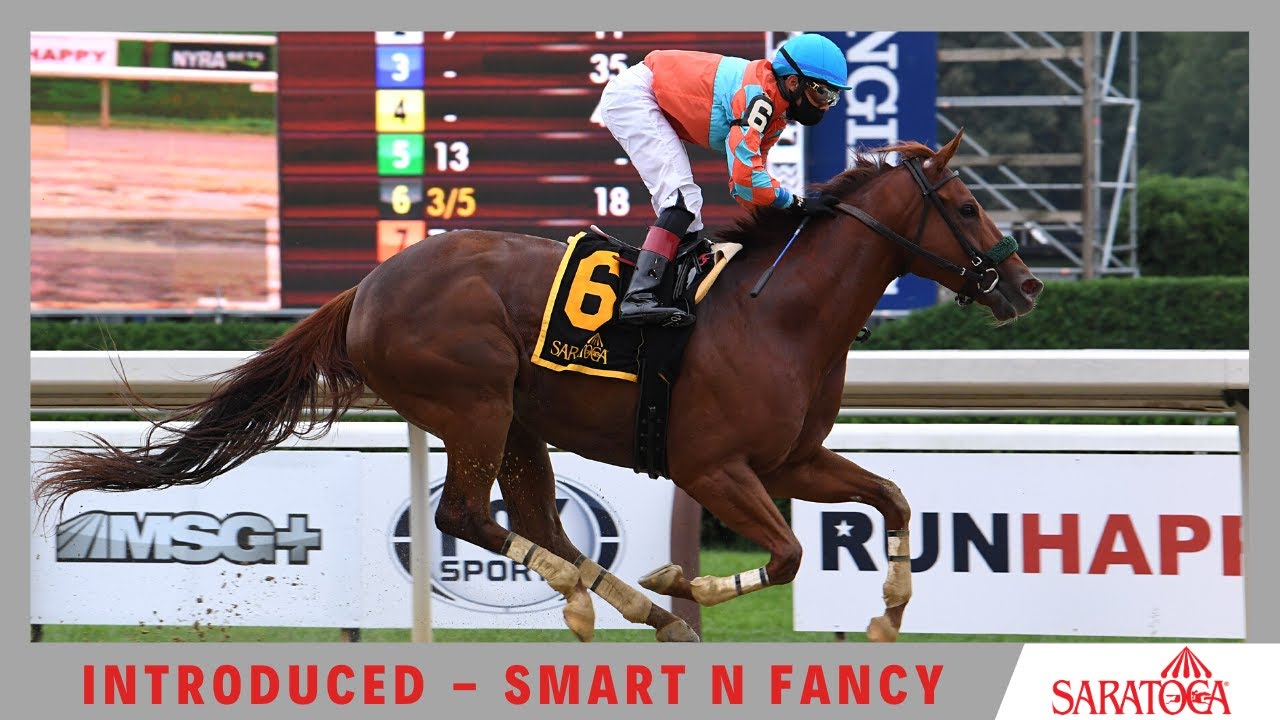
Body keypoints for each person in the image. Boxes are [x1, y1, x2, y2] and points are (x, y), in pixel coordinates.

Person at [598, 32, 851, 327]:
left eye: (834, 97)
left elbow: (747, 190)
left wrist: (787, 215)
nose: (826, 105)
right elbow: (746, 179)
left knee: (690, 218)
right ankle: (638, 297)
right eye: (823, 94)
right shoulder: (759, 100)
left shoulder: (776, 114)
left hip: (645, 92)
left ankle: (670, 294)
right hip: (635, 96)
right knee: (681, 201)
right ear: (794, 82)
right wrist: (796, 204)